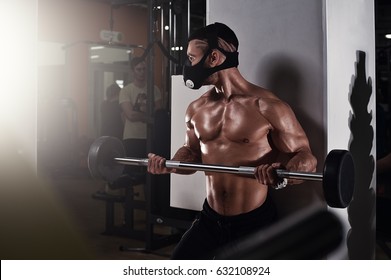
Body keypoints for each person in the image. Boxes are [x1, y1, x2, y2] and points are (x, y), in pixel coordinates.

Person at [147, 22, 317, 260]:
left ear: (214, 57)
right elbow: (191, 153)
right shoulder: (196, 109)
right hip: (209, 219)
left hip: (255, 223)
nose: (188, 65)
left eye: (192, 58)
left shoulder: (268, 106)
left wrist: (283, 174)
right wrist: (169, 165)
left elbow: (306, 157)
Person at [119, 57, 162, 158]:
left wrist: (142, 116)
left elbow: (159, 113)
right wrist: (149, 118)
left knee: (151, 170)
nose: (142, 72)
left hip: (151, 137)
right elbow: (131, 115)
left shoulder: (154, 89)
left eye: (144, 69)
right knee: (133, 171)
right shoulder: (126, 90)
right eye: (138, 69)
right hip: (132, 137)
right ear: (133, 71)